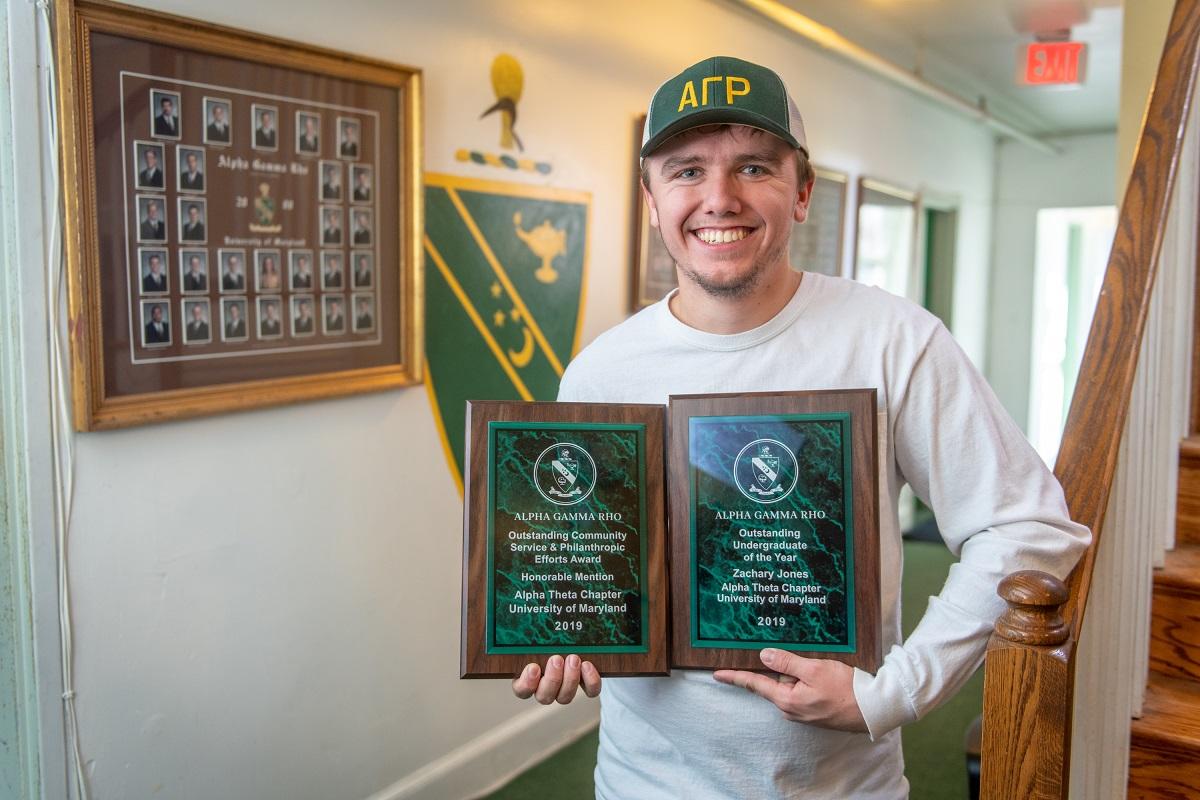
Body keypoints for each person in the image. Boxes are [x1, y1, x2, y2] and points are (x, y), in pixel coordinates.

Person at [508, 56, 1091, 799]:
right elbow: (589, 573)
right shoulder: (601, 372)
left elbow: (1031, 527)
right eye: (686, 171)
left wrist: (896, 692)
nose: (719, 199)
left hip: (845, 788)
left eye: (754, 166)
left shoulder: (892, 340)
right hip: (643, 783)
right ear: (651, 199)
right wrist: (563, 635)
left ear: (804, 191)